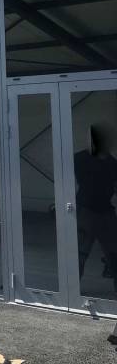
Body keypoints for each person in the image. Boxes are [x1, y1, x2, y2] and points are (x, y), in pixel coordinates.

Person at [73, 123, 117, 295]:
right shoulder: (80, 159)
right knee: (79, 254)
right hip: (86, 212)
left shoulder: (112, 163)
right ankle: (71, 292)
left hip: (105, 213)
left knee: (114, 254)